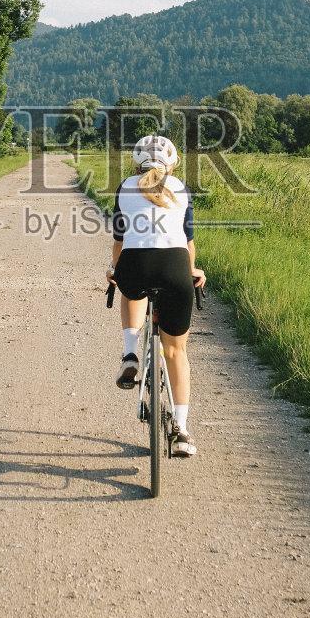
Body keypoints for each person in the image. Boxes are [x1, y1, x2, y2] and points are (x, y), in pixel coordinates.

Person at [107, 134, 206, 457]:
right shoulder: (181, 189)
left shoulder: (124, 186)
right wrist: (192, 270)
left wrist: (114, 270)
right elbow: (187, 240)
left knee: (130, 290)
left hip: (135, 266)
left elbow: (120, 240)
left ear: (136, 164)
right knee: (176, 351)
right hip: (176, 267)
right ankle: (181, 431)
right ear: (172, 164)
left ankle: (130, 353)